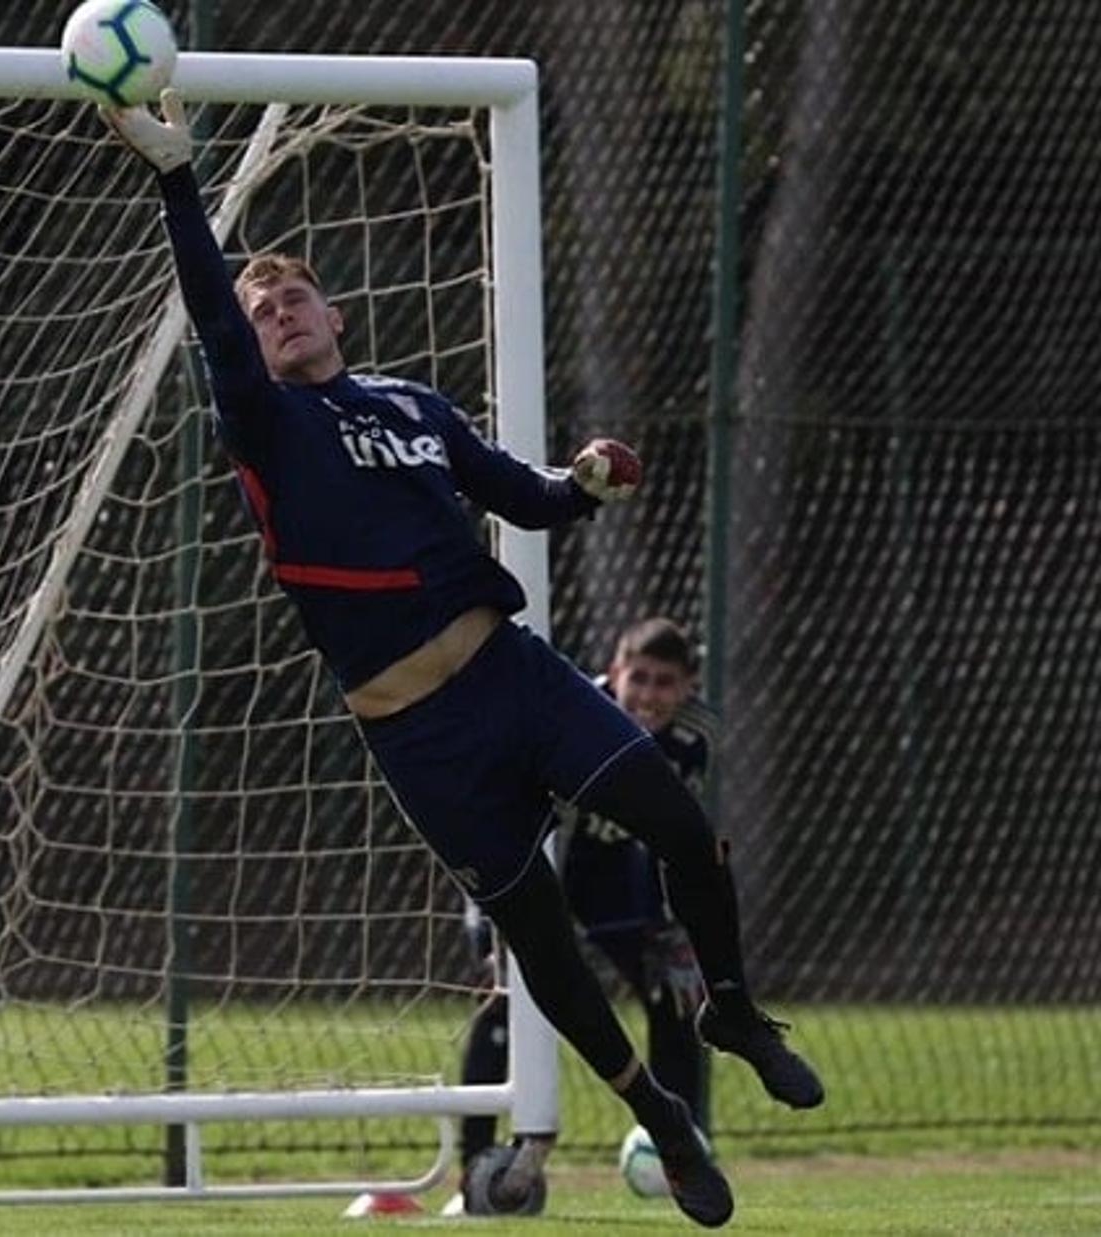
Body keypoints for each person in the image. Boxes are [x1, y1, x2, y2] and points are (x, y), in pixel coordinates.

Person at [103, 92, 822, 1230]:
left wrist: (583, 484)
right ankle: (662, 1118)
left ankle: (732, 1011)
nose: (278, 308)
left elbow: (525, 501)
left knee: (681, 824)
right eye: (262, 305)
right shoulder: (261, 420)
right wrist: (177, 180)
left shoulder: (413, 404)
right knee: (541, 941)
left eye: (294, 293)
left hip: (516, 678)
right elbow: (210, 307)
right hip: (420, 735)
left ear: (334, 313)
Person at [459, 617, 715, 1174]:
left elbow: (674, 832)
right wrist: (491, 922)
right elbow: (510, 823)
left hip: (619, 887)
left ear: (687, 686)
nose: (648, 696)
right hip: (539, 871)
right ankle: (476, 1164)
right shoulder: (576, 720)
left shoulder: (697, 738)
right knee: (509, 1002)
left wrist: (676, 926)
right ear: (615, 672)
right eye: (638, 678)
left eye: (663, 683)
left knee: (676, 994)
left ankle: (684, 1150)